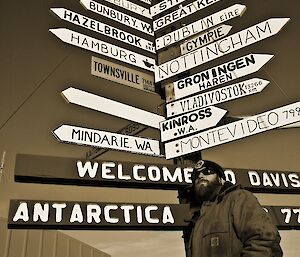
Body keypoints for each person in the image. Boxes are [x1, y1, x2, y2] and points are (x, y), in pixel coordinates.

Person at [185, 159, 283, 257]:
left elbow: (264, 242)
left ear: (221, 179)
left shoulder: (239, 197)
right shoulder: (196, 219)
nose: (200, 176)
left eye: (208, 172)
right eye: (195, 176)